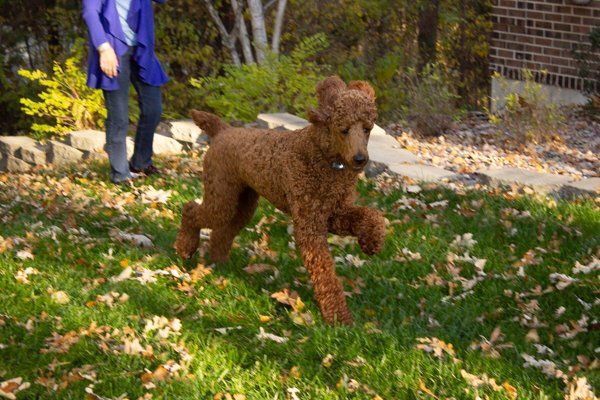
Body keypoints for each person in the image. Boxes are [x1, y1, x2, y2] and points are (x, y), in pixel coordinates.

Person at [83, 0, 168, 184]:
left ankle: (140, 162)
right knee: (119, 117)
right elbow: (90, 13)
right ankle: (120, 174)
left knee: (153, 108)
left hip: (142, 49)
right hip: (112, 49)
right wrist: (104, 49)